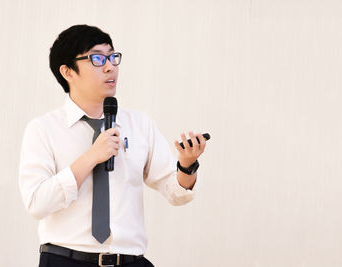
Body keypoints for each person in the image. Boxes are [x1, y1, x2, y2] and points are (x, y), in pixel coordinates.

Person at [19, 24, 207, 267]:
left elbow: (175, 193)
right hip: (66, 260)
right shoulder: (43, 129)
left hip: (129, 260)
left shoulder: (140, 124)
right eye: (97, 58)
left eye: (112, 57)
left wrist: (187, 165)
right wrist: (91, 157)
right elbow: (37, 203)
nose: (110, 67)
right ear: (67, 72)